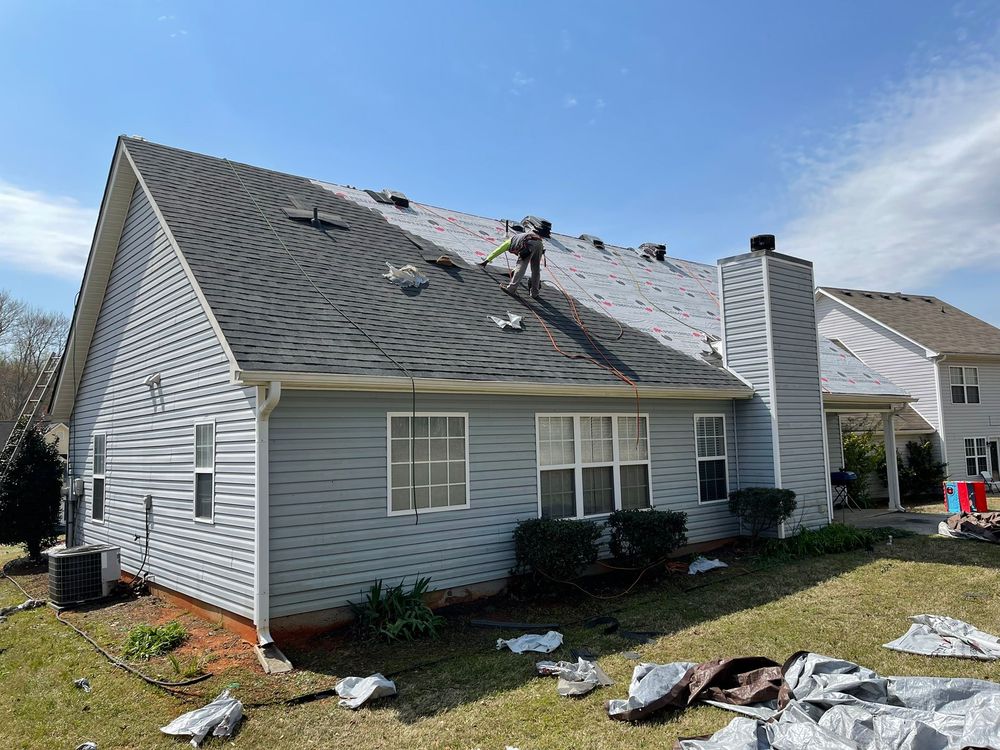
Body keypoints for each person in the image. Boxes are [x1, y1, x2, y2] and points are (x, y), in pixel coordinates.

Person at [479, 231, 545, 298]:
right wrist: (513, 271)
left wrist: (487, 260)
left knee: (521, 265)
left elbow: (498, 250)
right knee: (536, 270)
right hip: (540, 244)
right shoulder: (518, 239)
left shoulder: (509, 242)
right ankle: (534, 293)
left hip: (528, 243)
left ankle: (511, 289)